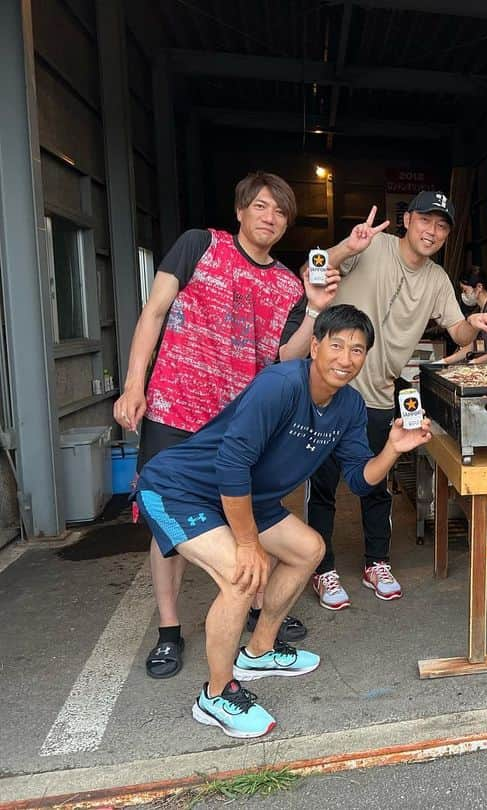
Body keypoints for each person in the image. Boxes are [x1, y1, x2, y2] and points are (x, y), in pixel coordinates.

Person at [135, 305, 431, 738]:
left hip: (248, 497)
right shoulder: (280, 385)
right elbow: (233, 463)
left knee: (308, 549)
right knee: (242, 574)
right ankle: (215, 695)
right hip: (181, 488)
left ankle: (258, 652)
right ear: (315, 346)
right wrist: (248, 542)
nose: (345, 358)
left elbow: (358, 479)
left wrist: (392, 450)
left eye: (357, 349)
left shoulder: (350, 405)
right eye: (336, 345)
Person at [114, 171, 341, 680]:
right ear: (240, 210)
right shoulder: (199, 245)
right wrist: (134, 385)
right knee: (167, 522)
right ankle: (169, 629)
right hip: (175, 407)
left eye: (280, 212)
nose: (270, 218)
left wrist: (315, 311)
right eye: (261, 206)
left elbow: (286, 356)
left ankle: (256, 611)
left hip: (239, 423)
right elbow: (154, 313)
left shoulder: (287, 283)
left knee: (248, 510)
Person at [280, 192, 487, 610]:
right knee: (323, 485)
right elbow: (313, 269)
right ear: (409, 220)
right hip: (327, 388)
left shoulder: (436, 279)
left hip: (378, 394)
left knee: (375, 483)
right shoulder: (372, 247)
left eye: (442, 226)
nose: (432, 232)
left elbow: (458, 333)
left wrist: (472, 322)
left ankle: (376, 562)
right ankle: (321, 567)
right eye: (425, 221)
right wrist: (347, 245)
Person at [442, 268, 487, 364]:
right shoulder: (480, 312)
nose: (463, 294)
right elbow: (473, 345)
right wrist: (446, 361)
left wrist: (475, 362)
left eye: (465, 290)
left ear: (479, 287)